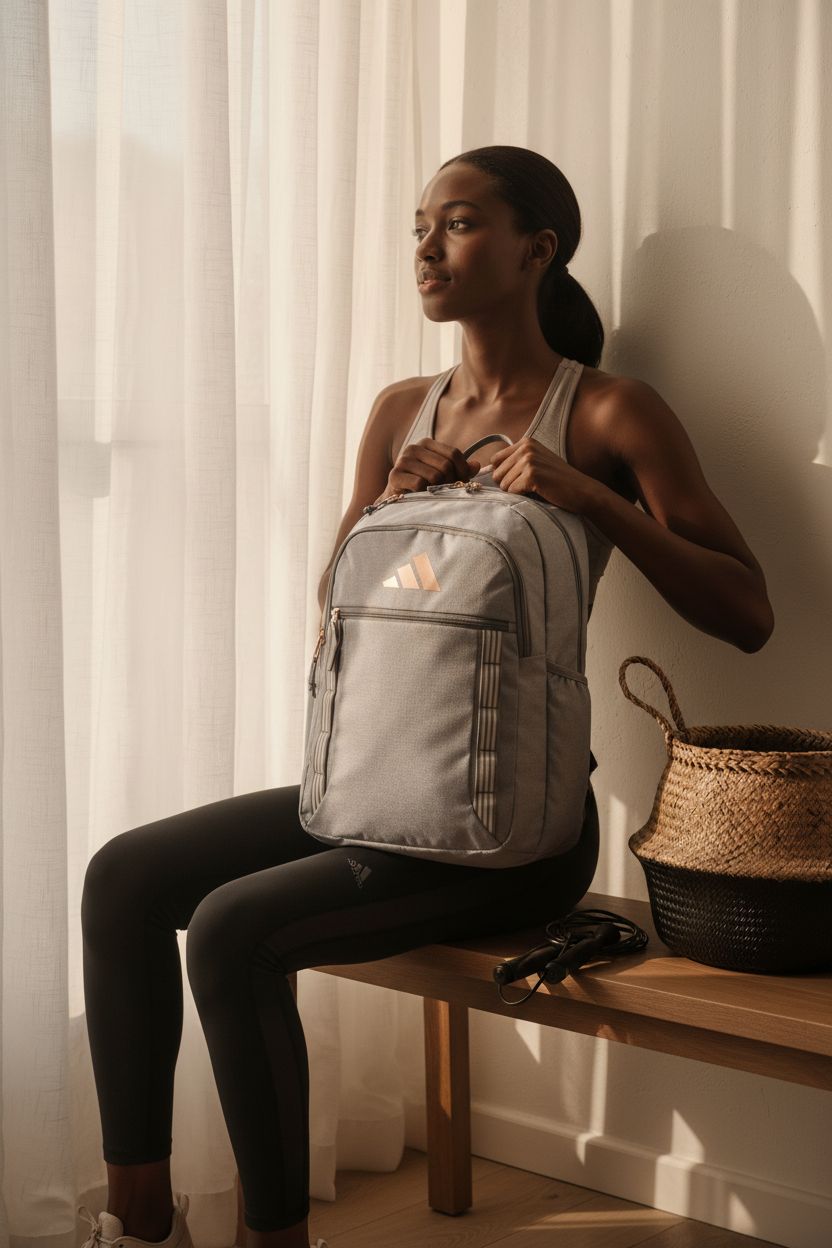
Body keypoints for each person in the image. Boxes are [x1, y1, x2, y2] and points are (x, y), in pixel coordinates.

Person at [79, 144, 774, 1248]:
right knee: (122, 877)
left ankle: (274, 1238)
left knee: (229, 932)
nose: (425, 248)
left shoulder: (609, 413)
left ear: (537, 250)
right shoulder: (401, 411)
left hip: (516, 835)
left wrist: (591, 498)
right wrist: (386, 512)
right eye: (419, 227)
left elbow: (747, 612)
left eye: (456, 223)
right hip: (375, 795)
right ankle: (137, 1217)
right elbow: (343, 607)